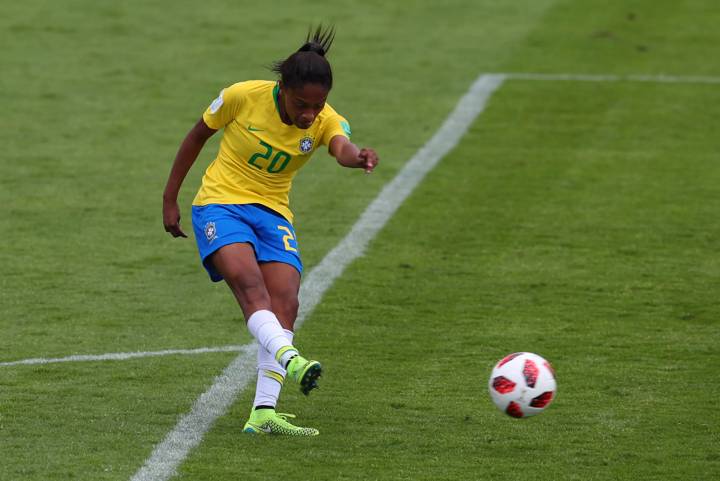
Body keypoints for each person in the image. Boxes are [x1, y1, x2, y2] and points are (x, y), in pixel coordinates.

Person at [162, 25, 379, 437]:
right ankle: (292, 360)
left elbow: (341, 146)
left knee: (287, 302)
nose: (308, 115)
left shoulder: (324, 119)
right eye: (302, 104)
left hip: (273, 215)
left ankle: (263, 413)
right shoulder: (243, 96)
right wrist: (169, 198)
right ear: (283, 88)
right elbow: (195, 137)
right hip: (220, 204)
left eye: (318, 105)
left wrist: (358, 157)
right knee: (250, 287)